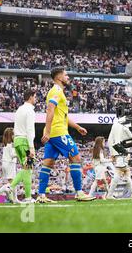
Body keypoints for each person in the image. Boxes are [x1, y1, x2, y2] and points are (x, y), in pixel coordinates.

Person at [37, 67, 95, 203]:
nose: (68, 77)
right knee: (76, 158)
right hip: (58, 132)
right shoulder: (56, 91)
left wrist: (77, 127)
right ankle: (79, 193)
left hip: (54, 132)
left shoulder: (58, 91)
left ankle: (41, 195)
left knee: (48, 163)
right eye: (66, 75)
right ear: (59, 78)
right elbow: (50, 109)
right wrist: (48, 131)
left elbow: (62, 115)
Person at [106, 108, 132, 200]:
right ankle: (110, 194)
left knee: (126, 172)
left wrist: (113, 152)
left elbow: (109, 140)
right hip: (123, 151)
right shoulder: (124, 127)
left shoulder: (115, 125)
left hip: (117, 151)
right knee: (119, 173)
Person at [0, 127, 17, 203]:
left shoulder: (6, 144)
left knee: (13, 183)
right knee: (13, 183)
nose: (15, 136)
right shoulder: (11, 144)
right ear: (11, 135)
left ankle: (12, 198)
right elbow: (12, 155)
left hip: (5, 163)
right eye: (14, 134)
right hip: (10, 164)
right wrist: (21, 154)